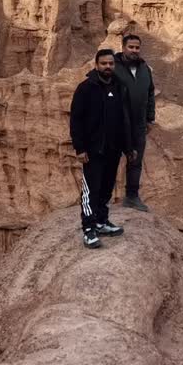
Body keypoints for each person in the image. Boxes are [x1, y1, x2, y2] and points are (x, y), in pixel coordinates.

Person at [70, 48, 135, 249]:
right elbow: (76, 120)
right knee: (91, 190)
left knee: (107, 188)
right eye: (104, 63)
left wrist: (128, 147)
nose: (108, 67)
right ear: (96, 65)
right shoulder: (86, 88)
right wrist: (80, 148)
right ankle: (89, 229)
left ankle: (101, 222)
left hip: (113, 149)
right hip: (93, 150)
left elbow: (124, 119)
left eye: (111, 63)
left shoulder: (119, 86)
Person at [113, 34, 155, 212]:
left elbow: (150, 93)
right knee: (110, 160)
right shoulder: (113, 67)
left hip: (138, 124)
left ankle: (131, 197)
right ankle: (102, 198)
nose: (134, 50)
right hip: (117, 123)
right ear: (123, 48)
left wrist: (150, 118)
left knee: (135, 161)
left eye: (137, 47)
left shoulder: (145, 69)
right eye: (131, 47)